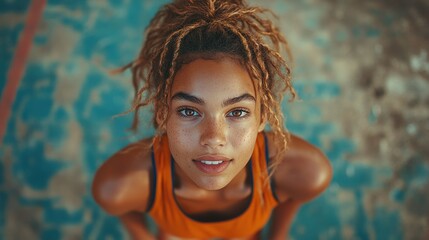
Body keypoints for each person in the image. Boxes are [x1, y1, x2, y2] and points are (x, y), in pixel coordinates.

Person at [92, 0, 332, 239]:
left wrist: (277, 234)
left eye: (237, 112)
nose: (214, 138)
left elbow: (291, 201)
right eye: (189, 111)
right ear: (162, 113)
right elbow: (123, 210)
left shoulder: (301, 172)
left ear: (263, 117)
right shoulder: (122, 185)